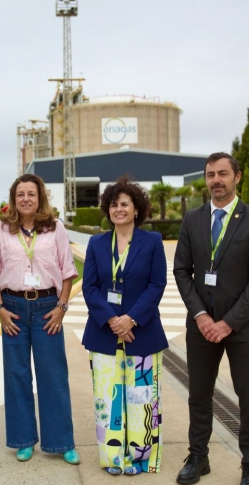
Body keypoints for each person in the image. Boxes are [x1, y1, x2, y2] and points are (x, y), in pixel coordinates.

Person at [173, 152, 249, 485]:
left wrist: (229, 322)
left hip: (243, 327)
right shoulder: (193, 219)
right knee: (199, 394)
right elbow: (181, 271)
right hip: (201, 326)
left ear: (237, 177)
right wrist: (201, 315)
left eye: (222, 174)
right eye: (209, 175)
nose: (215, 180)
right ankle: (198, 457)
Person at [0, 173, 80, 465]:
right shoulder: (2, 229)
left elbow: (67, 272)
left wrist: (62, 308)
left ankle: (62, 442)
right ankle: (23, 440)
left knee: (53, 376)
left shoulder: (56, 229)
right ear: (14, 199)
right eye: (20, 194)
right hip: (12, 307)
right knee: (17, 377)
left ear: (40, 198)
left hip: (47, 307)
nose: (26, 198)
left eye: (31, 194)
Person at [82, 176, 168, 476]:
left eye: (125, 204)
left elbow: (157, 284)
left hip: (142, 332)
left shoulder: (153, 242)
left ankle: (141, 458)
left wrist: (130, 319)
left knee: (142, 399)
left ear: (136, 209)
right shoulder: (96, 243)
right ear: (108, 209)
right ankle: (113, 459)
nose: (119, 209)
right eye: (114, 204)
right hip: (104, 334)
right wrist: (111, 320)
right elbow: (89, 287)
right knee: (107, 400)